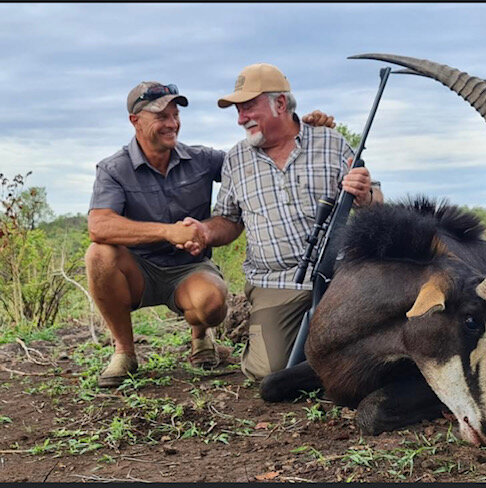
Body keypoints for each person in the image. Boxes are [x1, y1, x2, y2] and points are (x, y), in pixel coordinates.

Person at [86, 80, 335, 388]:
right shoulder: (113, 168)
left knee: (212, 303)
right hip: (139, 270)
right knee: (98, 254)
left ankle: (201, 335)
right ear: (135, 121)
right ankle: (124, 351)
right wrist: (167, 232)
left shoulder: (203, 159)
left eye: (175, 115)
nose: (172, 123)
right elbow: (99, 225)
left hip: (190, 269)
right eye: (161, 117)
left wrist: (299, 127)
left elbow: (255, 155)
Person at [179, 63, 384, 381]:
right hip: (276, 283)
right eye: (237, 110)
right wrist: (205, 231)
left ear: (280, 103)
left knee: (381, 347)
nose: (240, 118)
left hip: (339, 277)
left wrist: (364, 196)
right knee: (271, 372)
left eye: (248, 107)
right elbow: (229, 221)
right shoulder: (236, 159)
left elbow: (375, 203)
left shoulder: (331, 142)